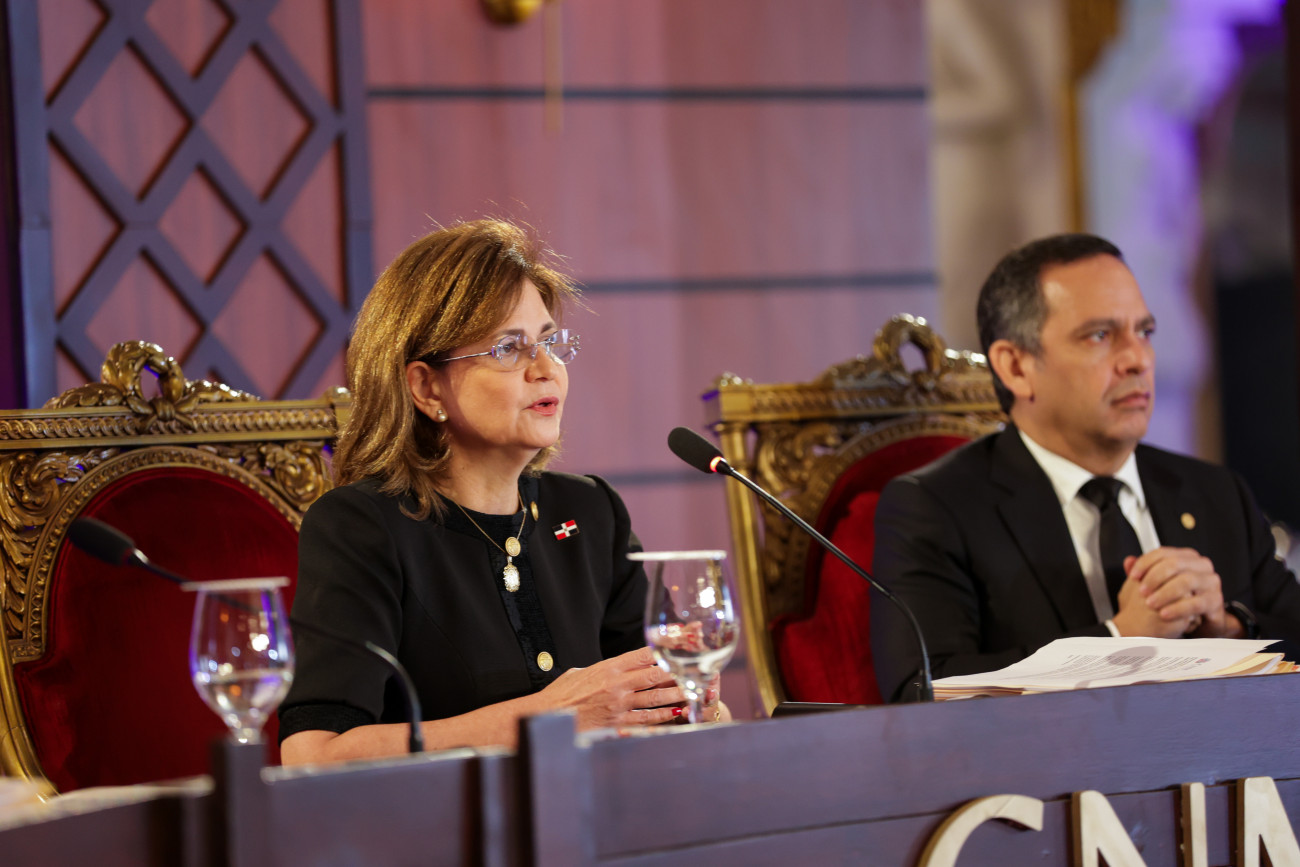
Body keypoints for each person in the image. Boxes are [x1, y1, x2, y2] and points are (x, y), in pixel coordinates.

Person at [280, 219, 717, 764]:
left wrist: (696, 704)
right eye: (510, 348)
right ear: (426, 387)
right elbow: (314, 755)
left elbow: (658, 701)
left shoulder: (590, 512)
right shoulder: (360, 527)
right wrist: (548, 719)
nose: (546, 369)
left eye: (550, 343)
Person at [870, 233, 1300, 703]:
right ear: (1016, 367)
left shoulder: (1215, 492)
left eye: (1145, 332)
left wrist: (1227, 628)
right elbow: (921, 692)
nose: (1137, 359)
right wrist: (1121, 639)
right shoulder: (935, 509)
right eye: (1100, 335)